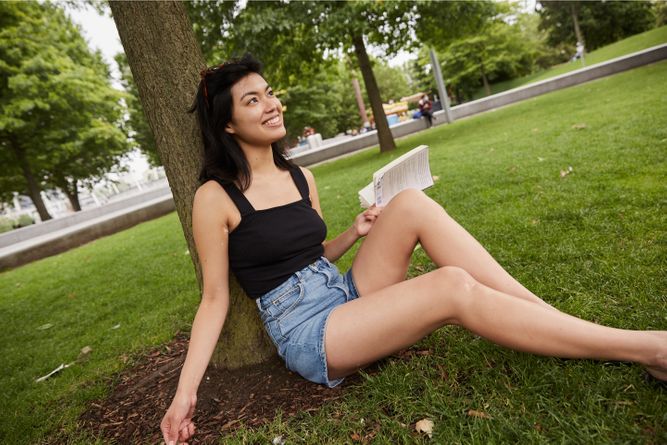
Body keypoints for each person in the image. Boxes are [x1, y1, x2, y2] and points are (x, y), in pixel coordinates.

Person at [160, 55, 666, 445]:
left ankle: (546, 318)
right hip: (308, 332)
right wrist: (186, 393)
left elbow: (311, 256)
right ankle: (647, 349)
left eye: (269, 93)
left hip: (343, 296)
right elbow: (214, 300)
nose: (271, 105)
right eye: (252, 100)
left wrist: (352, 234)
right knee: (450, 287)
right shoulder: (215, 196)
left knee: (409, 203)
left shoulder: (299, 175)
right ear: (227, 123)